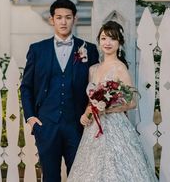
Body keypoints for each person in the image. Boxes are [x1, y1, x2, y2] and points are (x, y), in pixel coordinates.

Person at [20, 0, 100, 182]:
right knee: (50, 177)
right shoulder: (37, 50)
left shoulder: (89, 49)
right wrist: (31, 118)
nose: (63, 22)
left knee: (79, 176)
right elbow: (26, 87)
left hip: (78, 125)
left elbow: (96, 87)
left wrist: (89, 114)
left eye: (68, 17)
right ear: (52, 20)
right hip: (46, 125)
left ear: (75, 19)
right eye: (59, 17)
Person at [67, 20, 158, 182]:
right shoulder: (93, 69)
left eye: (112, 38)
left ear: (119, 43)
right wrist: (86, 114)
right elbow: (91, 100)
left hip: (115, 125)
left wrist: (106, 109)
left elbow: (132, 102)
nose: (107, 43)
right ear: (99, 41)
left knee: (117, 169)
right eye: (103, 38)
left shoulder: (119, 67)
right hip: (94, 128)